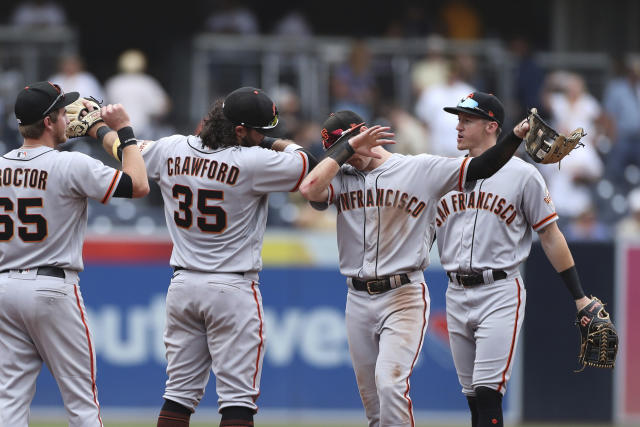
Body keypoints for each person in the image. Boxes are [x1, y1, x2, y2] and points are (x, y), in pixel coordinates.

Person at [299, 92, 532, 427]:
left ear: (367, 136)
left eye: (347, 146)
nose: (346, 158)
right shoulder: (342, 175)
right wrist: (345, 151)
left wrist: (515, 136)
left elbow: (482, 166)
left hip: (402, 294)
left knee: (390, 385)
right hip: (357, 298)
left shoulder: (418, 168)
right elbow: (309, 190)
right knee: (373, 405)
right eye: (339, 152)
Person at [94, 87, 317, 427]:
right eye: (261, 131)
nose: (265, 137)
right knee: (238, 400)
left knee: (178, 396)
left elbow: (125, 151)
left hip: (183, 285)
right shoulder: (253, 160)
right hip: (232, 287)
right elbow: (308, 165)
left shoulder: (171, 147)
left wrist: (100, 128)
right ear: (240, 131)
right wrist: (274, 143)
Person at [435, 93, 596, 427]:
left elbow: (551, 236)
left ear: (492, 126)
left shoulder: (523, 176)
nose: (459, 126)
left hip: (499, 292)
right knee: (473, 400)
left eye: (468, 119)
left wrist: (579, 296)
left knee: (488, 393)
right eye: (458, 118)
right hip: (454, 292)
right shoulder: (446, 173)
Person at [0, 81, 149, 426]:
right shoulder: (71, 164)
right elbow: (138, 184)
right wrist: (123, 131)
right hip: (52, 287)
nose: (68, 117)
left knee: (8, 400)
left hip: (5, 287)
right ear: (50, 121)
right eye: (62, 112)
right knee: (82, 401)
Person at [104, 49, 171, 140]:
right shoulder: (147, 82)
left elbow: (105, 108)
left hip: (119, 131)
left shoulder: (113, 83)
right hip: (143, 132)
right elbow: (161, 109)